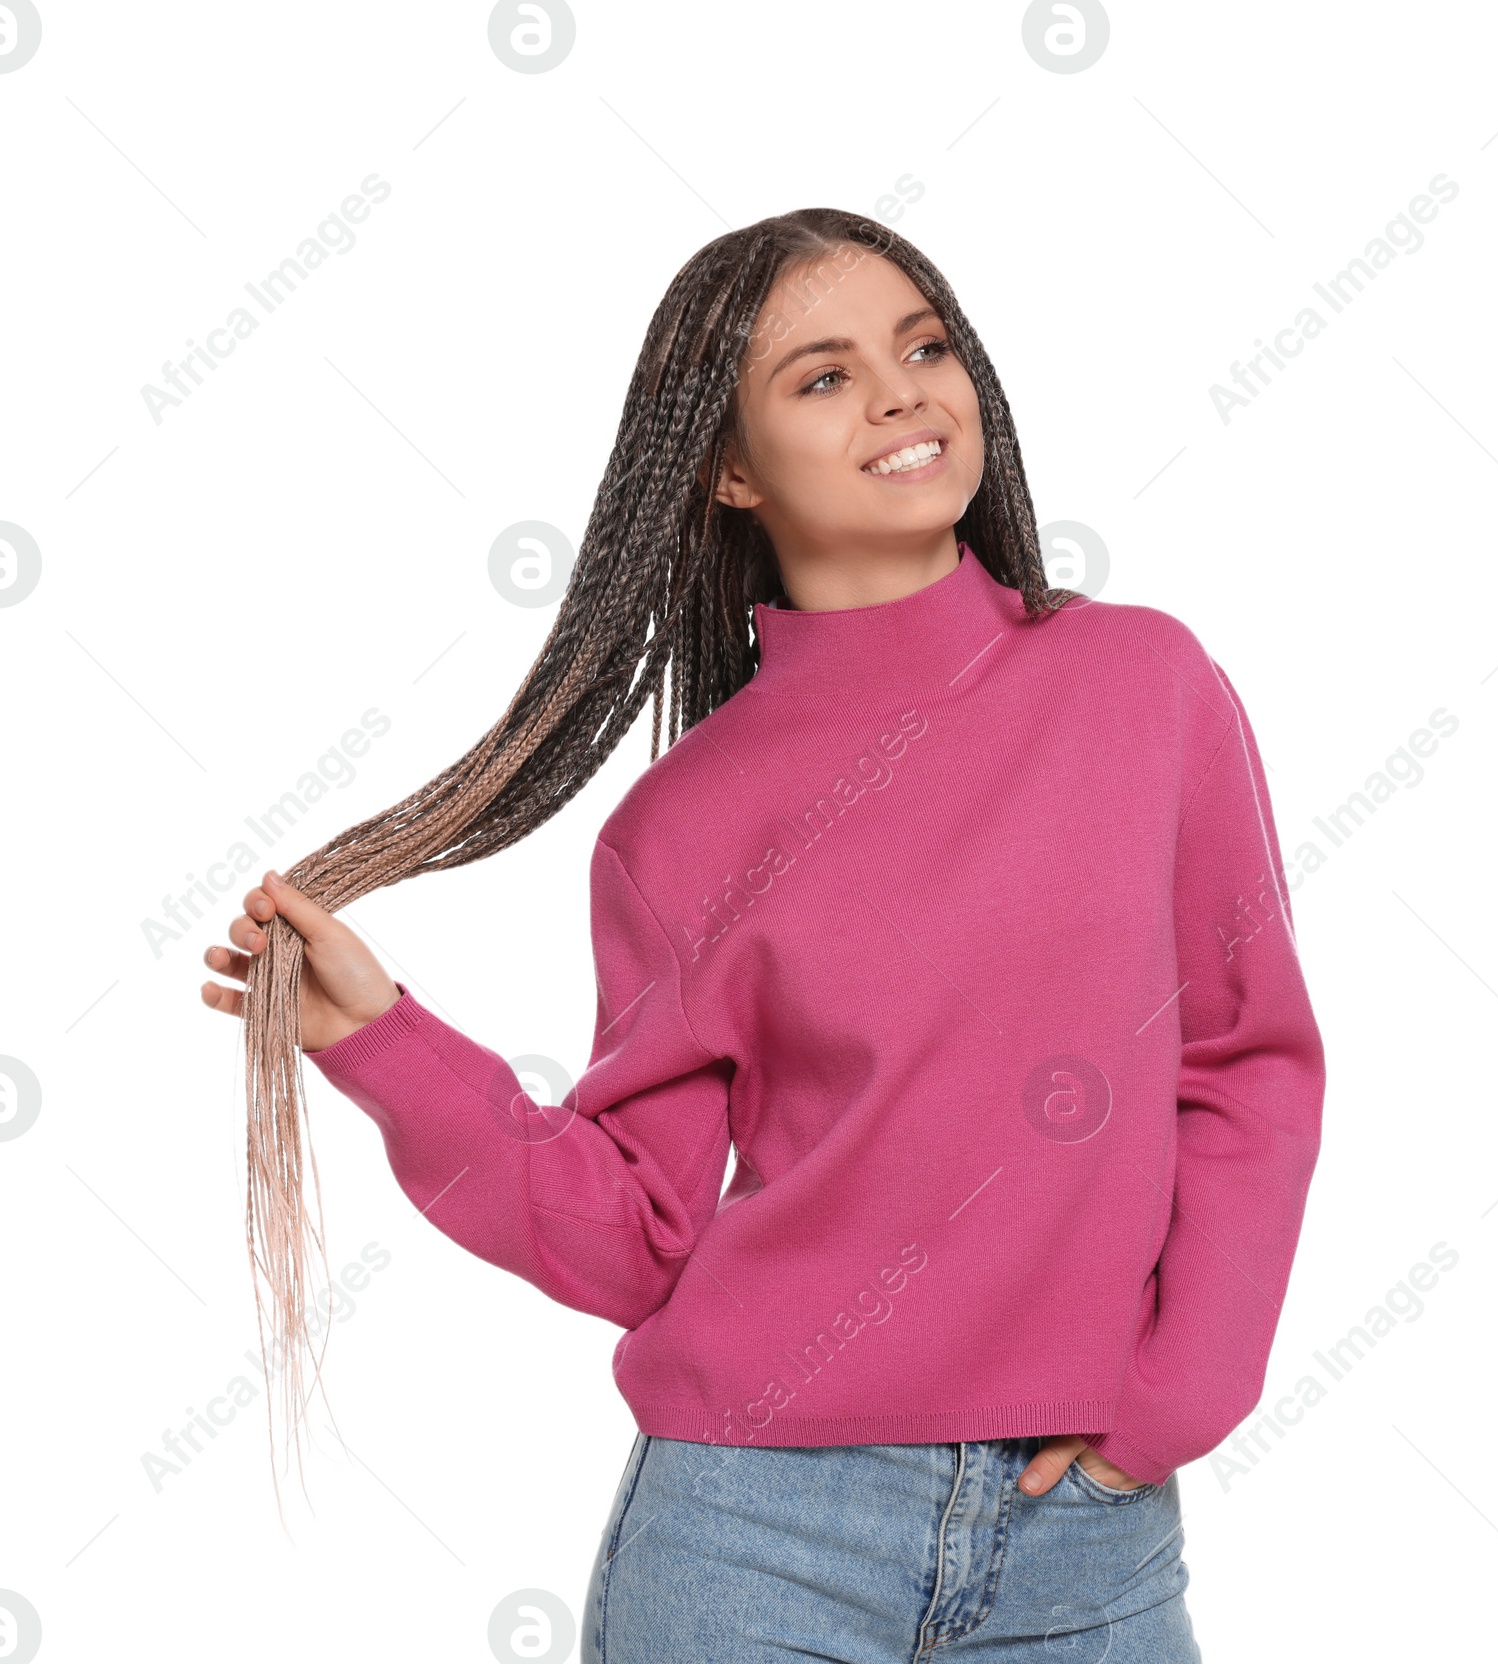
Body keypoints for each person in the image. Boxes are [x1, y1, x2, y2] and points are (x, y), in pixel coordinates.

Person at [201, 209, 1324, 1660]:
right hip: (750, 1546)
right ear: (729, 469)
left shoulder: (1144, 687)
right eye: (824, 376)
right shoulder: (679, 827)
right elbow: (640, 1236)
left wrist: (1176, 1402)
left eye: (924, 347)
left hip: (1088, 1539)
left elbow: (1249, 1063)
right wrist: (380, 1044)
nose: (904, 390)